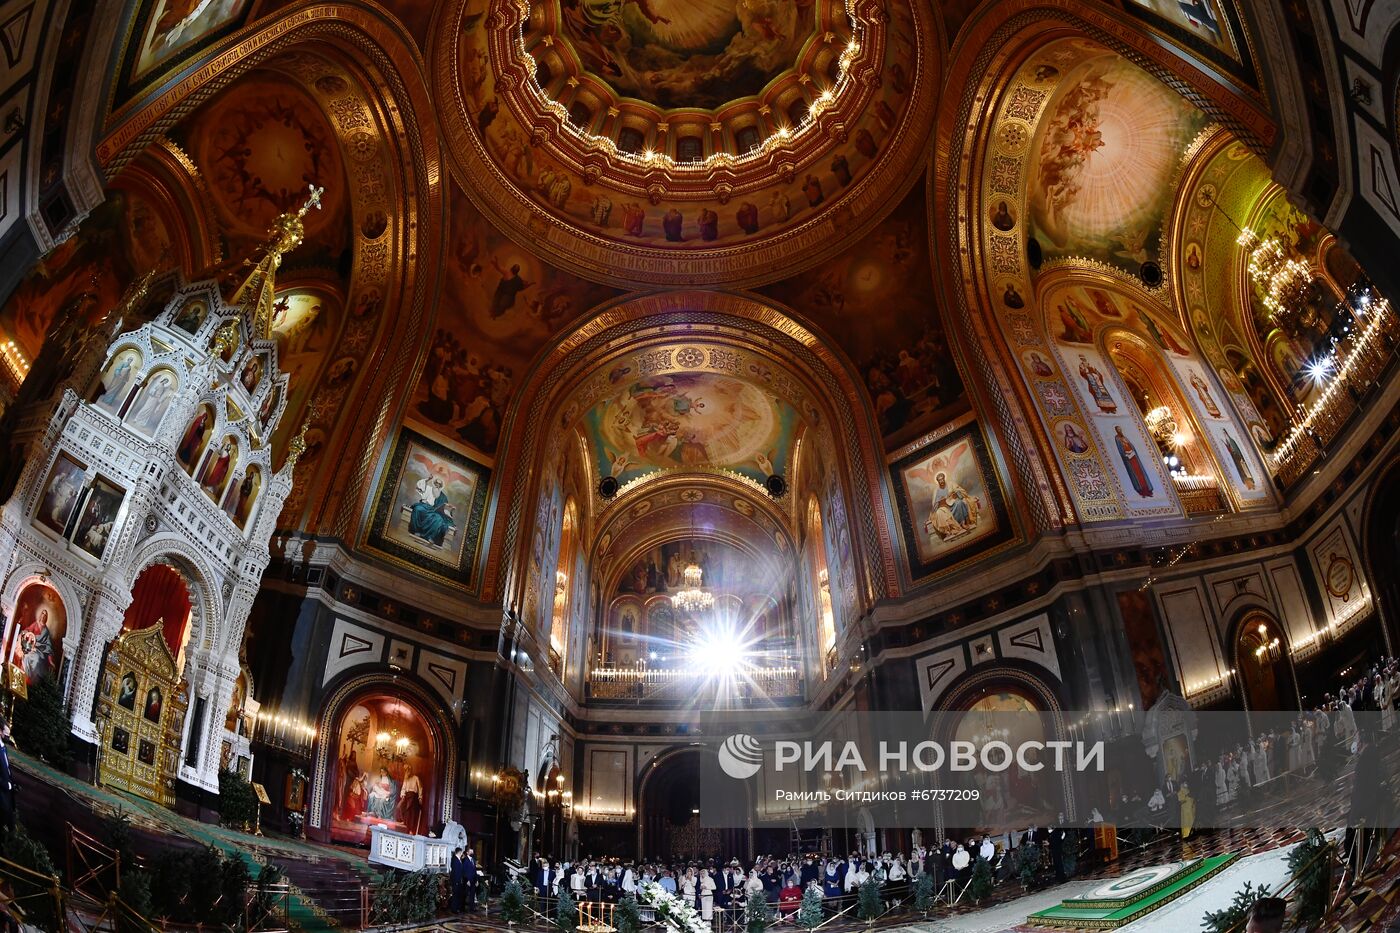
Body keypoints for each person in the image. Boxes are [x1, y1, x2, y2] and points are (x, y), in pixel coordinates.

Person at [0, 716, 14, 833]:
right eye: (6, 733)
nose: (8, 737)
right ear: (0, 732)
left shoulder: (4, 748)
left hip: (7, 793)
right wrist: (6, 785)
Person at [450, 848, 469, 912]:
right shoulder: (455, 859)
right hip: (456, 881)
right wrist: (457, 881)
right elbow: (455, 872)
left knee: (458, 895)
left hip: (459, 880)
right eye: (462, 852)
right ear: (460, 852)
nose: (462, 854)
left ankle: (458, 908)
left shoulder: (459, 859)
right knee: (455, 895)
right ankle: (454, 909)